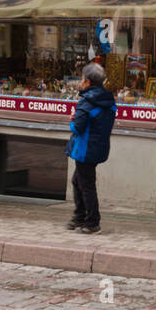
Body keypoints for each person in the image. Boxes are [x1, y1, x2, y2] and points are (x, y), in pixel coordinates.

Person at [66, 62, 118, 235]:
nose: (81, 81)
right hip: (99, 148)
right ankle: (79, 217)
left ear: (88, 82)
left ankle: (92, 222)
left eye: (82, 78)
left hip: (84, 149)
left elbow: (78, 128)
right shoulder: (108, 101)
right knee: (78, 181)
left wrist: (72, 120)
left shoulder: (86, 102)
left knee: (86, 185)